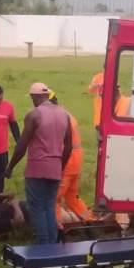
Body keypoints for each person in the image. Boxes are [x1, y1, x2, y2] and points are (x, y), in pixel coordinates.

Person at [5, 82, 72, 244]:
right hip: (55, 169)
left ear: (34, 97)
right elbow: (68, 145)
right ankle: (52, 245)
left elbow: (22, 144)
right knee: (49, 207)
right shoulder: (64, 114)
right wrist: (60, 166)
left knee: (37, 208)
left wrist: (10, 167)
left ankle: (43, 246)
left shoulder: (34, 115)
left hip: (37, 169)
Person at [49, 93, 91, 225]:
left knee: (53, 198)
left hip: (66, 162)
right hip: (76, 161)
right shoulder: (67, 114)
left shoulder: (57, 117)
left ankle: (57, 228)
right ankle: (91, 221)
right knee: (72, 197)